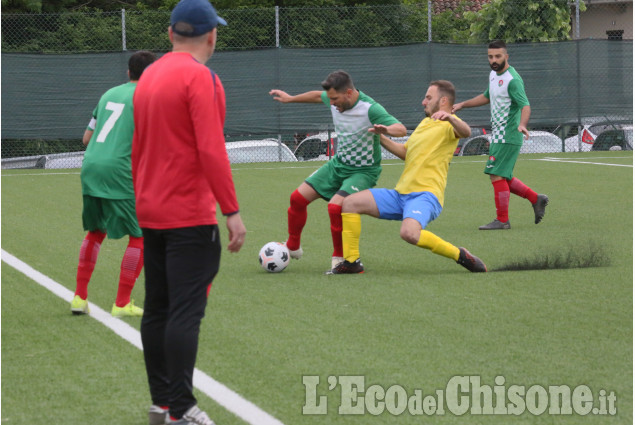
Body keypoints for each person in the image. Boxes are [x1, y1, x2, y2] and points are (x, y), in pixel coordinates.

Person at [131, 0, 246, 424]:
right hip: (189, 215)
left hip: (151, 210)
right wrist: (231, 210)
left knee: (156, 308)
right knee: (183, 313)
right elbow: (211, 149)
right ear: (212, 35)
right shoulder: (202, 78)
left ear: (169, 34)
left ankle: (162, 403)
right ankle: (181, 410)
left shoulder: (148, 77)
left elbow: (138, 147)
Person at [330, 80, 487, 274]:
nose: (423, 101)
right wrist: (380, 135)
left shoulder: (449, 124)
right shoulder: (425, 123)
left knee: (409, 234)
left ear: (444, 100)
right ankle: (352, 262)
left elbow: (466, 132)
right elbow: (405, 153)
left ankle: (459, 254)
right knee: (350, 203)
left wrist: (450, 118)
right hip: (400, 195)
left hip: (425, 196)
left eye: (429, 97)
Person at [269, 71, 407, 272]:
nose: (331, 103)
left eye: (335, 99)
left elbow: (401, 128)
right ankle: (292, 246)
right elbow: (318, 95)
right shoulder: (333, 98)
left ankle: (340, 258)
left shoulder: (370, 108)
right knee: (297, 199)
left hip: (363, 171)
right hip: (338, 165)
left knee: (335, 207)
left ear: (349, 93)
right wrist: (290, 99)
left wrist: (385, 130)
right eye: (330, 98)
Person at [70, 50, 157, 317]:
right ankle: (121, 303)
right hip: (120, 170)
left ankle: (79, 298)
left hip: (91, 166)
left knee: (95, 232)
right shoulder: (149, 98)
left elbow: (87, 138)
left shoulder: (108, 94)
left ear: (128, 72)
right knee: (140, 235)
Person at [452, 40, 548, 230]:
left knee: (496, 174)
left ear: (506, 56)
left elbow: (525, 105)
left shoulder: (513, 80)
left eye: (498, 56)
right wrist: (462, 104)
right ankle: (536, 199)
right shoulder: (494, 75)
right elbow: (487, 96)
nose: (494, 60)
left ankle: (502, 220)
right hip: (498, 135)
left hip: (509, 135)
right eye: (490, 56)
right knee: (503, 176)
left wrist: (522, 124)